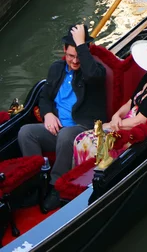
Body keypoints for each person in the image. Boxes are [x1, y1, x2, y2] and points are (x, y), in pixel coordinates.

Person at [18, 24, 106, 211]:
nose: (74, 61)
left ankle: (56, 186)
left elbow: (91, 75)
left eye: (78, 56)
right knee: (26, 132)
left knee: (66, 135)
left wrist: (83, 46)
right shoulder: (56, 69)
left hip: (83, 128)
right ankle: (36, 183)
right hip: (57, 128)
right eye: (70, 56)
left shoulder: (95, 72)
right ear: (64, 51)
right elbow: (44, 97)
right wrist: (48, 114)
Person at [73, 40, 147, 165]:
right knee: (81, 139)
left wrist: (110, 125)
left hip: (135, 135)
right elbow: (130, 102)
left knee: (84, 141)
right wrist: (116, 116)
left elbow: (139, 121)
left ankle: (90, 178)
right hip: (123, 123)